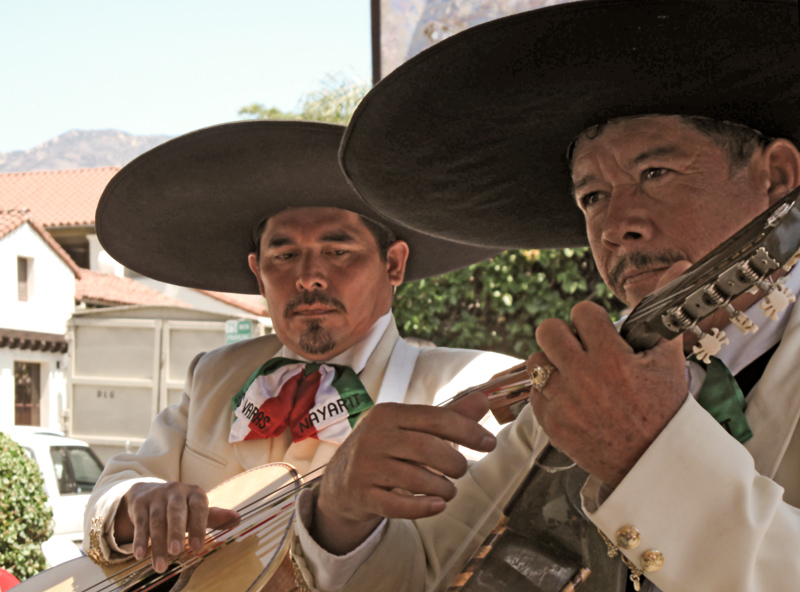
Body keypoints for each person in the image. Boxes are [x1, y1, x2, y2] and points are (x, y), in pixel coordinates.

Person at [290, 1, 800, 591]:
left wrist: (651, 455)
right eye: (592, 197)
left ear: (778, 177)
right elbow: (427, 573)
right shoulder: (576, 388)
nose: (616, 226)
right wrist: (342, 515)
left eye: (655, 173)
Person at [81, 120, 518, 573]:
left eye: (338, 251)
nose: (308, 276)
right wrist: (135, 505)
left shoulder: (472, 388)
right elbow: (120, 482)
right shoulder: (214, 374)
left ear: (393, 263)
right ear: (258, 272)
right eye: (284, 256)